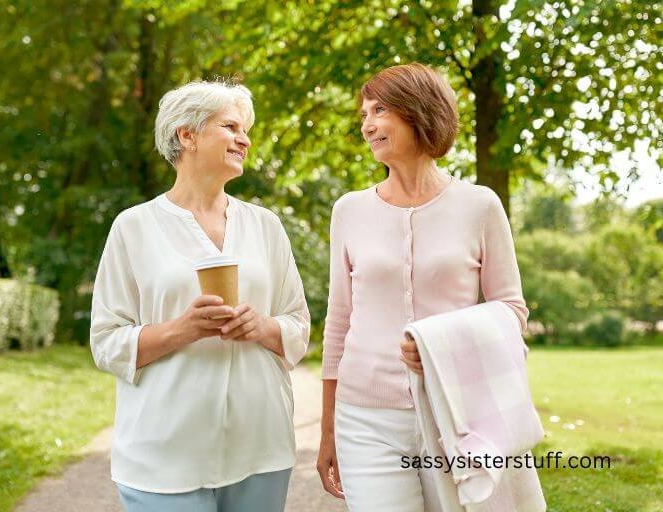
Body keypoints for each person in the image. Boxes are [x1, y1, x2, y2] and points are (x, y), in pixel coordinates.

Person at [90, 80, 310, 512]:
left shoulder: (266, 226)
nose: (244, 139)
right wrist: (181, 330)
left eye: (245, 129)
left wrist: (263, 326)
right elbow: (106, 342)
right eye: (230, 126)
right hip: (165, 456)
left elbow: (299, 325)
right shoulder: (133, 227)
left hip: (260, 448)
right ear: (186, 135)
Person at [316, 63, 529, 511]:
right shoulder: (349, 210)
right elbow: (339, 322)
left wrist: (441, 343)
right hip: (366, 418)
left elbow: (512, 309)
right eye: (363, 114)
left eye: (380, 110)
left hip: (456, 413)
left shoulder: (480, 206)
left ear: (420, 112)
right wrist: (328, 429)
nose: (367, 124)